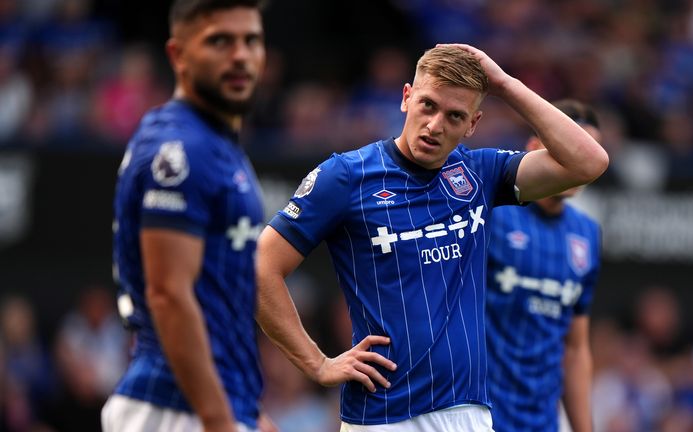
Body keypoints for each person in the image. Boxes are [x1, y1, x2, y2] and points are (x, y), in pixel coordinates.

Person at [256, 44, 609, 431]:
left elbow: (588, 162)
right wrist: (317, 363)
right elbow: (260, 269)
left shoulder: (479, 174)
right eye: (428, 105)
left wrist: (505, 85)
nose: (436, 125)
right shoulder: (345, 177)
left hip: (468, 414)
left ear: (472, 124)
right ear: (406, 98)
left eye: (455, 116)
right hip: (383, 416)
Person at [105, 1, 271, 431]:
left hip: (206, 405)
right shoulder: (182, 149)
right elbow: (168, 294)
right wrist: (220, 420)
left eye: (251, 40)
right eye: (220, 41)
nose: (240, 55)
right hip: (175, 408)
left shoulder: (213, 144)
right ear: (178, 55)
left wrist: (247, 412)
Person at [485, 99, 602, 432]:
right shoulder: (493, 214)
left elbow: (575, 348)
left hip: (541, 423)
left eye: (590, 150)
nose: (583, 158)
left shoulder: (586, 235)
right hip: (476, 416)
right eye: (574, 147)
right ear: (534, 148)